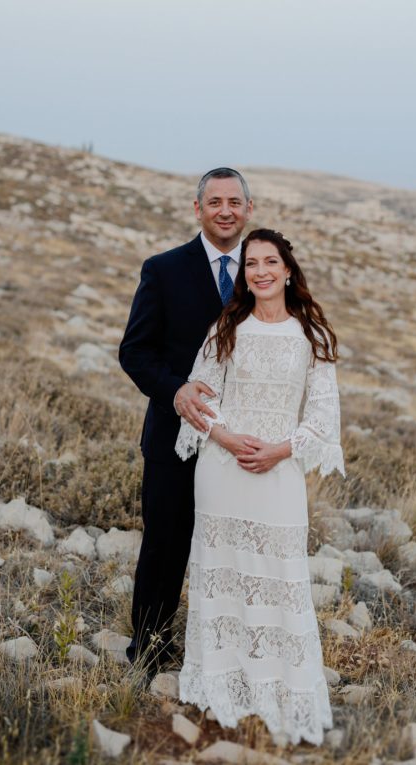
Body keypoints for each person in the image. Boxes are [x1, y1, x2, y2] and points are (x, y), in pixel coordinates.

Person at [174, 228, 344, 746]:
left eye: (271, 262)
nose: (261, 271)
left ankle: (278, 694)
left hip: (278, 471)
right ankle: (220, 690)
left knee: (279, 579)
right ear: (243, 273)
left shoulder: (311, 337)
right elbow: (200, 396)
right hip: (223, 471)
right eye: (251, 264)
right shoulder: (226, 327)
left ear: (288, 270)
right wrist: (225, 437)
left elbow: (322, 416)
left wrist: (279, 449)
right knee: (220, 578)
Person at [119, 168, 253, 671]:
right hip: (174, 439)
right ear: (197, 209)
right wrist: (175, 390)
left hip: (241, 442)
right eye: (214, 201)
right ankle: (148, 652)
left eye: (234, 202)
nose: (225, 210)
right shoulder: (163, 269)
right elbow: (134, 351)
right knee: (165, 550)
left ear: (248, 210)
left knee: (233, 553)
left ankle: (222, 655)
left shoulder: (261, 272)